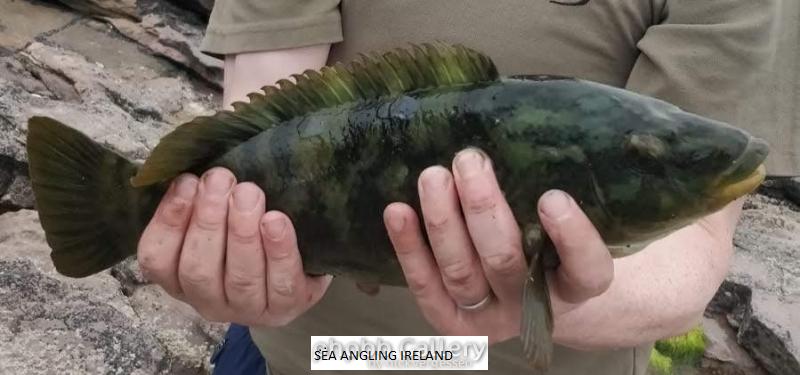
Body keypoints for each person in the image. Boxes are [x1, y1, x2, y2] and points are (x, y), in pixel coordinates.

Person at [135, 1, 788, 374]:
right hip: (299, 357)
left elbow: (696, 236)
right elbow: (269, 109)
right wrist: (238, 246)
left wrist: (557, 298)